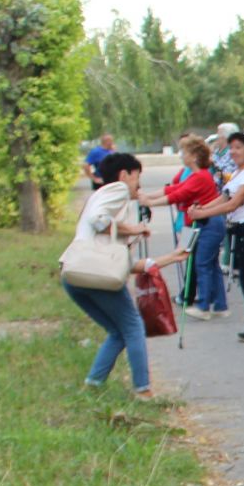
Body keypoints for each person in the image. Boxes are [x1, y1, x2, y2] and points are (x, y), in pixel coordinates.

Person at [66, 152, 190, 395]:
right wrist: (134, 228)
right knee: (133, 326)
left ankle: (93, 385)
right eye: (137, 177)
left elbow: (124, 263)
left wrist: (172, 257)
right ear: (124, 175)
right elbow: (98, 220)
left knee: (118, 331)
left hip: (75, 274)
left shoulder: (98, 197)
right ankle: (143, 390)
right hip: (97, 275)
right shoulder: (117, 190)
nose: (138, 185)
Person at [187, 131, 244, 341]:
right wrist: (201, 208)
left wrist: (203, 213)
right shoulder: (237, 173)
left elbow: (236, 202)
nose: (234, 152)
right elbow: (224, 196)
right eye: (232, 147)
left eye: (239, 148)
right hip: (240, 229)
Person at [143, 136, 221, 318]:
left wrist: (151, 203)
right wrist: (148, 198)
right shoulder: (195, 175)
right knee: (201, 262)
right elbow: (173, 189)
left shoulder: (201, 176)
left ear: (194, 156)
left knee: (200, 263)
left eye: (184, 152)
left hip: (202, 223)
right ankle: (218, 304)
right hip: (192, 223)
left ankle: (202, 303)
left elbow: (179, 195)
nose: (181, 156)